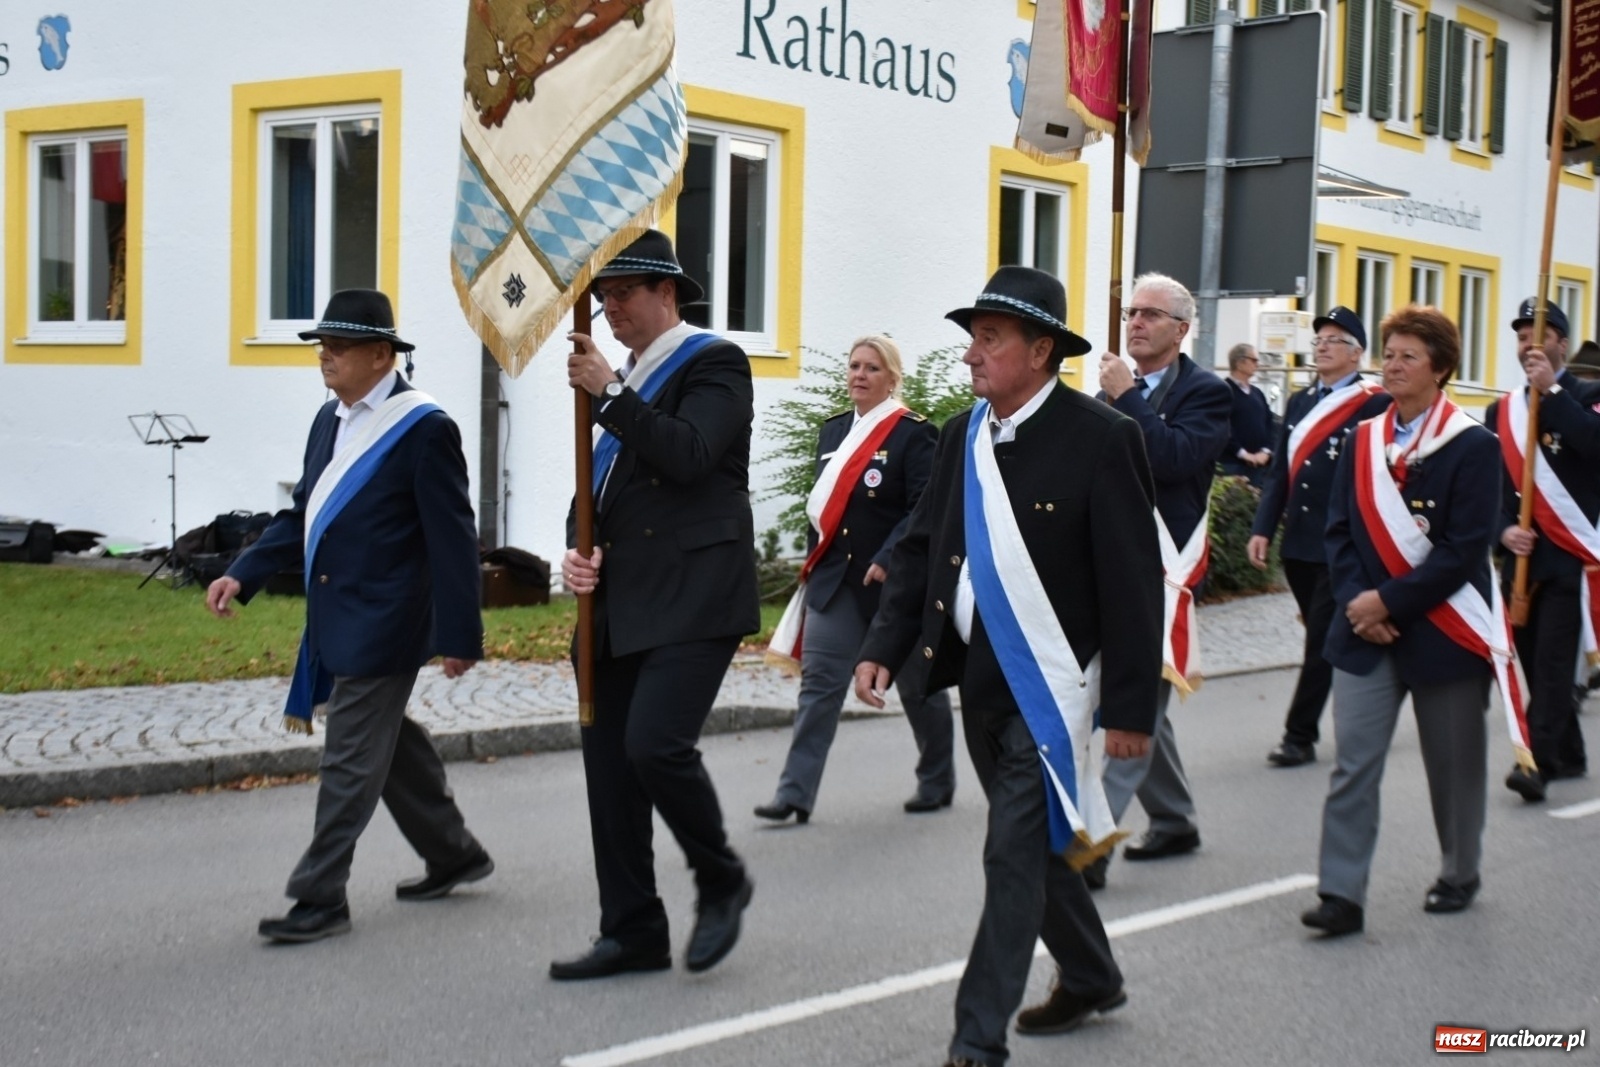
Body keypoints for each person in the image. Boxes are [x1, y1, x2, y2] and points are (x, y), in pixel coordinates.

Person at [854, 265, 1163, 1067]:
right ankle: (1093, 974)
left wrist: (1133, 709)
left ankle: (975, 1037)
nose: (971, 356)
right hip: (979, 683)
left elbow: (1134, 583)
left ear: (1041, 349)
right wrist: (884, 647)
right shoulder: (961, 435)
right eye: (972, 339)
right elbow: (923, 548)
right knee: (1040, 849)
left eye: (990, 339)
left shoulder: (1104, 437)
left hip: (1050, 693)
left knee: (1009, 853)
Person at [206, 289, 492, 943]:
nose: (325, 355)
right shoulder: (327, 421)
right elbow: (304, 513)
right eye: (322, 344)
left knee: (349, 757)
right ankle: (455, 852)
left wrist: (459, 634)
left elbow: (452, 539)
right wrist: (241, 571)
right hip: (337, 617)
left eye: (338, 345)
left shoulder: (424, 428)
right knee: (388, 749)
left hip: (387, 624)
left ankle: (321, 895)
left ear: (381, 354)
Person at [553, 230, 759, 980]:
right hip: (618, 599)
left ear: (667, 292)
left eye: (623, 294)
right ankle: (632, 927)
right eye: (602, 298)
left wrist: (608, 391)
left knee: (654, 746)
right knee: (609, 767)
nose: (609, 310)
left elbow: (689, 453)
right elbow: (600, 489)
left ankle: (721, 875)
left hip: (694, 596)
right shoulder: (623, 375)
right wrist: (578, 550)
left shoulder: (714, 362)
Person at [1302, 305, 1505, 937]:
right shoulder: (1363, 439)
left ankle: (1458, 870)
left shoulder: (1474, 446)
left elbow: (1465, 548)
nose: (1392, 364)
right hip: (1366, 630)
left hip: (1444, 629)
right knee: (1353, 763)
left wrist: (1389, 602)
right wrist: (1363, 604)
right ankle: (1341, 893)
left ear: (1441, 369)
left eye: (1407, 355)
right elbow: (1340, 532)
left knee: (1453, 764)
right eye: (1388, 353)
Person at [757, 335, 953, 822]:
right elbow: (821, 513)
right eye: (854, 366)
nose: (860, 375)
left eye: (871, 368)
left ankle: (937, 775)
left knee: (916, 686)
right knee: (820, 687)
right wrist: (811, 567)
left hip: (895, 587)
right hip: (835, 583)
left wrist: (891, 556)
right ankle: (794, 794)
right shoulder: (833, 432)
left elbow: (923, 508)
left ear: (892, 377)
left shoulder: (912, 433)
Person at [1090, 273, 1232, 885]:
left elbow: (1173, 459)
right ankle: (1173, 818)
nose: (1135, 322)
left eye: (1150, 314)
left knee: (1136, 705)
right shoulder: (1108, 393)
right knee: (1148, 699)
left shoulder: (1208, 393)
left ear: (1181, 329)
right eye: (1131, 311)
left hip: (1165, 571)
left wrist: (1129, 400)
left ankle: (1089, 846)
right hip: (1111, 562)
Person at [1248, 307, 1391, 768]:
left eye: (1334, 339)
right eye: (1319, 340)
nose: (1322, 347)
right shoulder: (1300, 401)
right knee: (1325, 633)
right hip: (1301, 543)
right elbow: (1279, 474)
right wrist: (1263, 528)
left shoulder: (1374, 402)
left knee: (1323, 641)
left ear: (1356, 353)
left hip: (1344, 543)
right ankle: (1384, 680)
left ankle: (1299, 735)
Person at [1487, 299, 1600, 803]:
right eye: (1519, 336)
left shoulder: (1587, 394)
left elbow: (1593, 445)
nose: (1527, 344)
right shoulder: (1502, 410)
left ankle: (1534, 764)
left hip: (1570, 557)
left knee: (1554, 667)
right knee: (1533, 662)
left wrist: (1551, 393)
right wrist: (1502, 532)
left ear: (1560, 340)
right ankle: (1571, 752)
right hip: (1521, 559)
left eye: (1537, 334)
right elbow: (1487, 485)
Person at [1219, 343, 1274, 487]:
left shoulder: (1257, 393)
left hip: (1260, 467)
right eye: (1254, 360)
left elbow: (1269, 423)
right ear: (1239, 362)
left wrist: (1266, 451)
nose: (1257, 364)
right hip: (1232, 465)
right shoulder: (1222, 391)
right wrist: (1243, 453)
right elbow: (1222, 426)